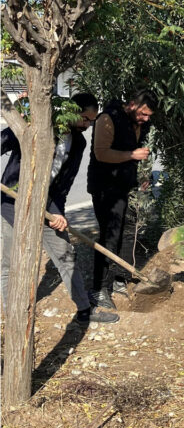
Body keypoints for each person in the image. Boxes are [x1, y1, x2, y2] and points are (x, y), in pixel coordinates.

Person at [1, 93, 118, 324]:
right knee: (10, 263)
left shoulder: (79, 143)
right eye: (85, 118)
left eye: (91, 121)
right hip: (13, 203)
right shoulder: (39, 128)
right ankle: (13, 314)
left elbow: (62, 186)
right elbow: (4, 140)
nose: (87, 125)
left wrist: (58, 214)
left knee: (66, 256)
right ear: (73, 111)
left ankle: (84, 310)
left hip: (46, 207)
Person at [86, 88, 156, 309]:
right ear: (133, 104)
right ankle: (99, 289)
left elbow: (140, 152)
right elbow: (101, 153)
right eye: (143, 114)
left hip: (127, 185)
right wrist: (131, 155)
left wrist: (142, 176)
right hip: (105, 187)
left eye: (149, 116)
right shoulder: (107, 118)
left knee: (129, 231)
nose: (146, 119)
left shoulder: (141, 123)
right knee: (110, 235)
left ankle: (119, 278)